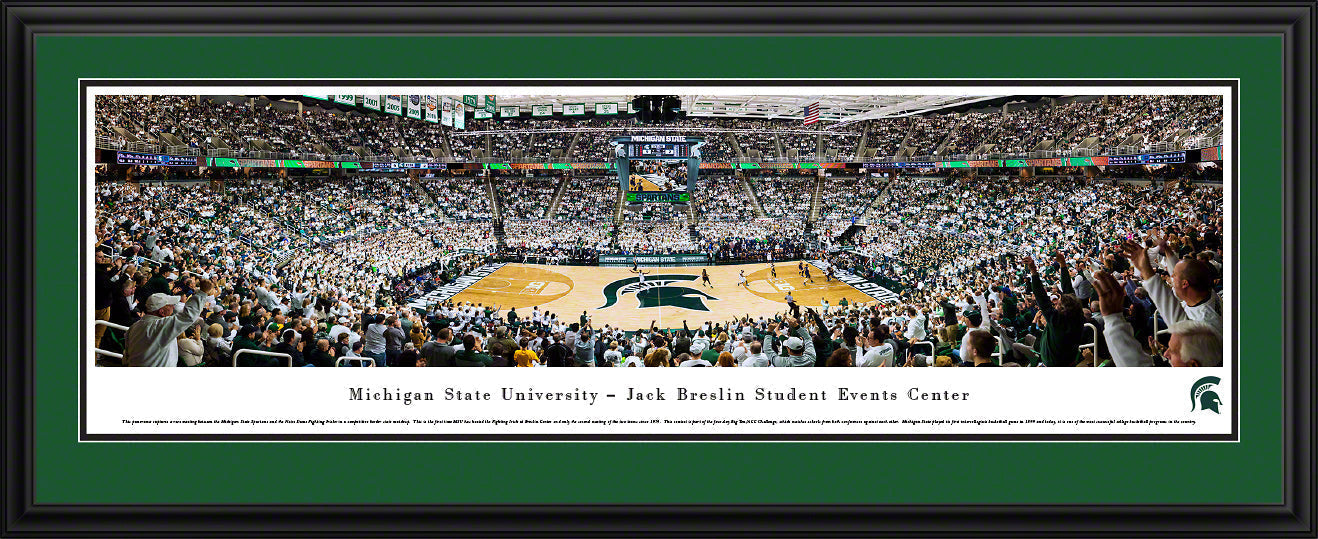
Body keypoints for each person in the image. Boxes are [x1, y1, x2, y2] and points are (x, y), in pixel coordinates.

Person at [124, 280, 213, 367]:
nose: (173, 307)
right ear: (162, 312)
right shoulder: (159, 327)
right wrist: (202, 293)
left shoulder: (134, 326)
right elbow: (188, 316)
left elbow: (126, 355)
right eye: (170, 305)